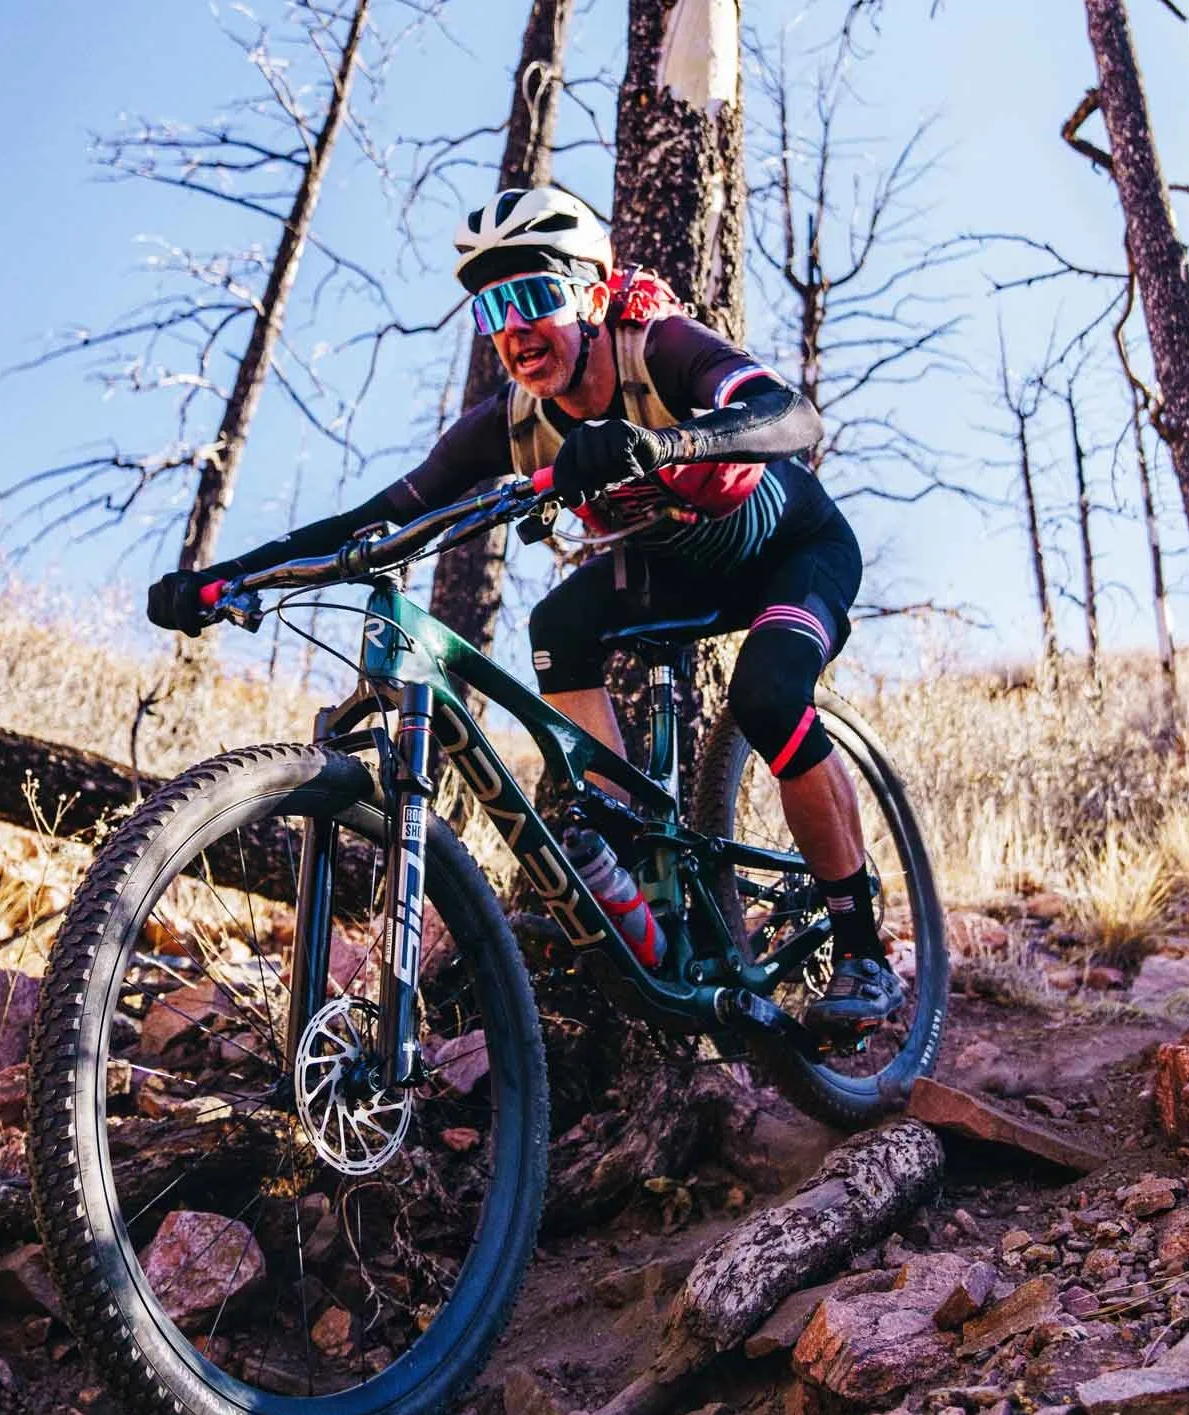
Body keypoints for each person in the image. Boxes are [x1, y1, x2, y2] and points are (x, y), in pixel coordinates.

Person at [147, 184, 903, 1031]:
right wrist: (225, 578)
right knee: (558, 629)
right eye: (493, 309)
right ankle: (623, 854)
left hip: (791, 552)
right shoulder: (509, 424)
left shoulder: (658, 348)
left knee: (768, 697)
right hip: (678, 571)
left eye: (534, 297)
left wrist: (661, 442)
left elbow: (789, 416)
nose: (514, 328)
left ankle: (862, 950)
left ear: (588, 293)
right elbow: (379, 515)